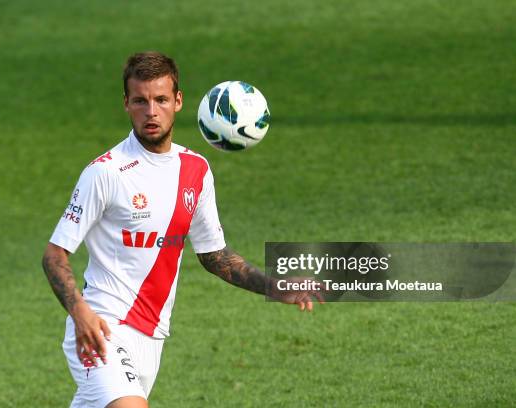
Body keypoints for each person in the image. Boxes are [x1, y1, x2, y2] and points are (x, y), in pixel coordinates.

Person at [42, 51, 323, 408]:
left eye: (160, 99)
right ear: (126, 104)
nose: (151, 111)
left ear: (178, 101)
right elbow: (54, 256)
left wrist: (274, 286)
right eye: (140, 101)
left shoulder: (196, 170)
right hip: (103, 326)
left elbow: (214, 255)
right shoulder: (105, 173)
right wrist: (80, 313)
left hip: (152, 336)